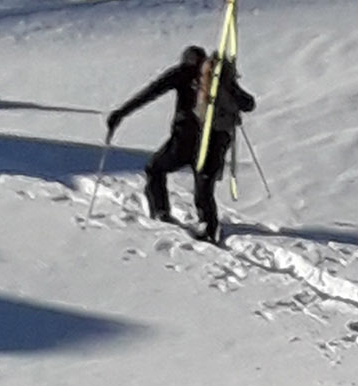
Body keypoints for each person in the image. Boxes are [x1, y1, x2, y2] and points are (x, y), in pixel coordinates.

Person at [105, 45, 256, 243]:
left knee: (154, 168)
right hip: (216, 141)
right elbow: (249, 104)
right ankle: (209, 227)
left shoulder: (182, 73)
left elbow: (151, 91)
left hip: (184, 139)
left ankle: (161, 213)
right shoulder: (217, 80)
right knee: (204, 187)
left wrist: (121, 113)